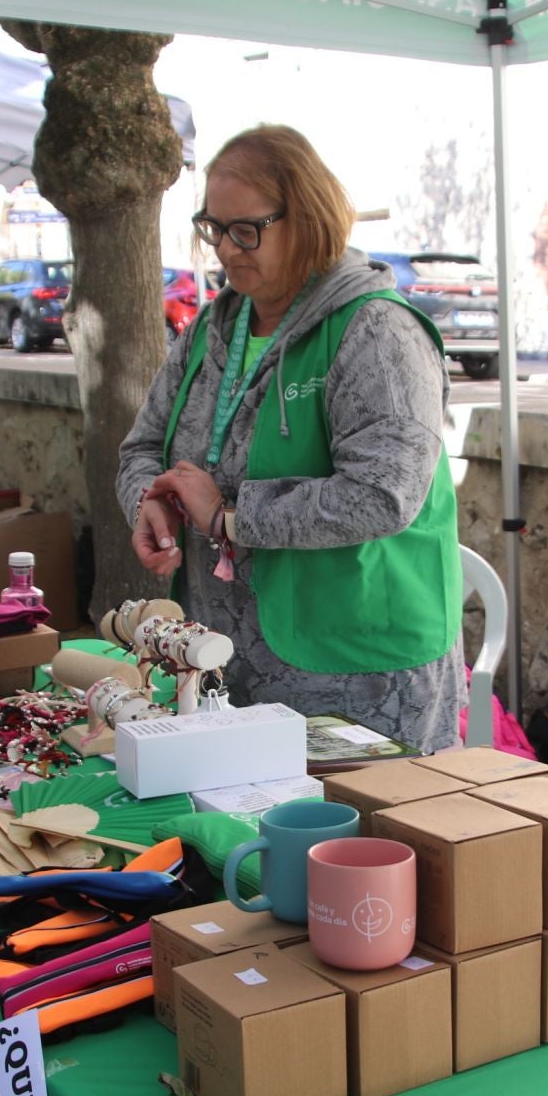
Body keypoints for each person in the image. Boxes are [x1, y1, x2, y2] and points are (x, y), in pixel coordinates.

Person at [118, 124, 465, 752]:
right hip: (226, 654)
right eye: (214, 228)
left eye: (246, 229)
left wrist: (227, 518)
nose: (227, 249)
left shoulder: (377, 333)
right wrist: (150, 502)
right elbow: (142, 448)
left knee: (353, 818)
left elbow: (382, 495)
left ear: (308, 220)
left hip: (355, 667)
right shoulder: (211, 331)